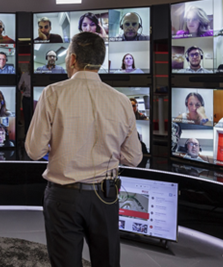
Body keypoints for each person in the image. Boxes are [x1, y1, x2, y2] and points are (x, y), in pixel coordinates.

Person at [25, 31, 142, 267]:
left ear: (72, 59)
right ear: (100, 61)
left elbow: (34, 151)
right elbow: (134, 157)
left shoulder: (52, 93)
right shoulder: (121, 100)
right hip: (106, 196)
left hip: (63, 196)